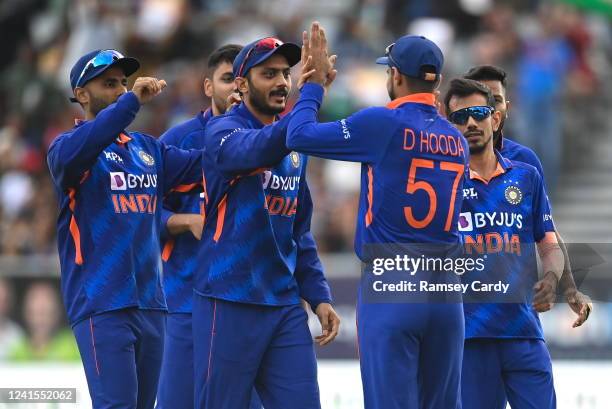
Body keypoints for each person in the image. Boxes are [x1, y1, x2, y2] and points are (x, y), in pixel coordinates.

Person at [288, 26, 468, 409]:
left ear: (397, 76)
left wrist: (314, 86)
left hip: (393, 282)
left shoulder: (382, 123)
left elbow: (298, 135)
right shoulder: (458, 140)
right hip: (448, 293)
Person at [47, 49, 204, 409]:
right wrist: (132, 101)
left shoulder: (149, 149)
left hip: (151, 304)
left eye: (122, 83)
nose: (120, 89)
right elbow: (93, 139)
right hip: (101, 303)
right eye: (108, 83)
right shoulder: (67, 150)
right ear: (81, 94)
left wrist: (238, 122)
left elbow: (208, 164)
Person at [192, 34, 340, 409]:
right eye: (268, 74)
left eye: (286, 74)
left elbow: (297, 229)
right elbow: (263, 146)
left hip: (284, 304)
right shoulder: (222, 131)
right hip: (228, 299)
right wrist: (311, 93)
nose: (281, 83)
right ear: (241, 84)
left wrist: (318, 295)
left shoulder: (293, 144)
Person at [444, 77, 564, 409]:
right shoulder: (441, 185)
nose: (470, 122)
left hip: (523, 332)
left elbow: (549, 244)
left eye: (479, 113)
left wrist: (552, 279)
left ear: (495, 119)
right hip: (468, 338)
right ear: (449, 126)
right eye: (459, 116)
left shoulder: (526, 176)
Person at [155, 44, 261, 409]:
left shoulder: (267, 142)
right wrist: (184, 221)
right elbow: (139, 214)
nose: (235, 87)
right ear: (207, 86)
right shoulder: (176, 141)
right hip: (186, 300)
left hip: (249, 301)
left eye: (241, 79)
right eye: (227, 78)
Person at [464, 64, 592, 327]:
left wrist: (567, 287)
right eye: (481, 103)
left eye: (496, 101)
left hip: (518, 319)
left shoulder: (525, 161)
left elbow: (545, 230)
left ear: (506, 109)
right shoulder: (447, 162)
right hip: (465, 319)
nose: (489, 110)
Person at [8, 281, 80, 361]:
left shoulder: (73, 345)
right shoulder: (17, 348)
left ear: (57, 314)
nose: (41, 320)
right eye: (36, 313)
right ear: (27, 314)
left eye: (46, 313)